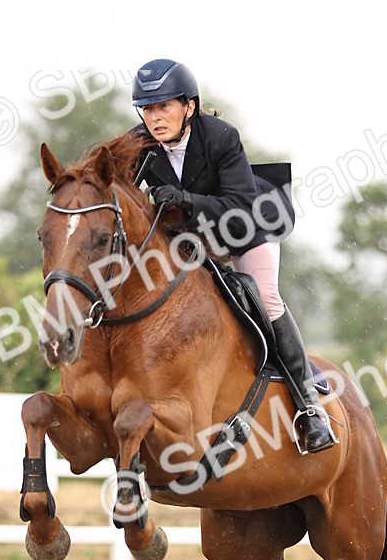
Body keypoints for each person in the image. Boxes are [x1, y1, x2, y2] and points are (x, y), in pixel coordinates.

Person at [128, 58, 336, 455]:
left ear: (189, 106)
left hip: (244, 225)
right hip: (190, 235)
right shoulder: (139, 144)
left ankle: (310, 409)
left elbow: (240, 204)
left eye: (164, 106)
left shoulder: (221, 136)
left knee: (265, 297)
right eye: (147, 109)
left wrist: (187, 200)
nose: (155, 118)